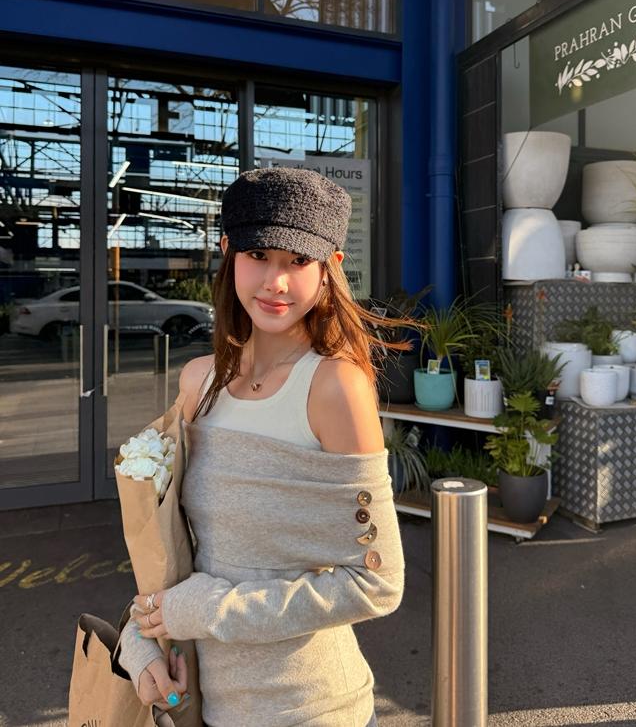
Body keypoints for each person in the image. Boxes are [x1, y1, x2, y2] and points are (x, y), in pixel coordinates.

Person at [116, 166, 415, 727]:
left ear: (328, 269)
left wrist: (205, 611)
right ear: (228, 253)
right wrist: (144, 637)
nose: (276, 281)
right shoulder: (198, 383)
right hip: (209, 705)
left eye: (298, 261)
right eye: (258, 255)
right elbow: (176, 550)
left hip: (314, 709)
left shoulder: (334, 388)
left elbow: (377, 582)